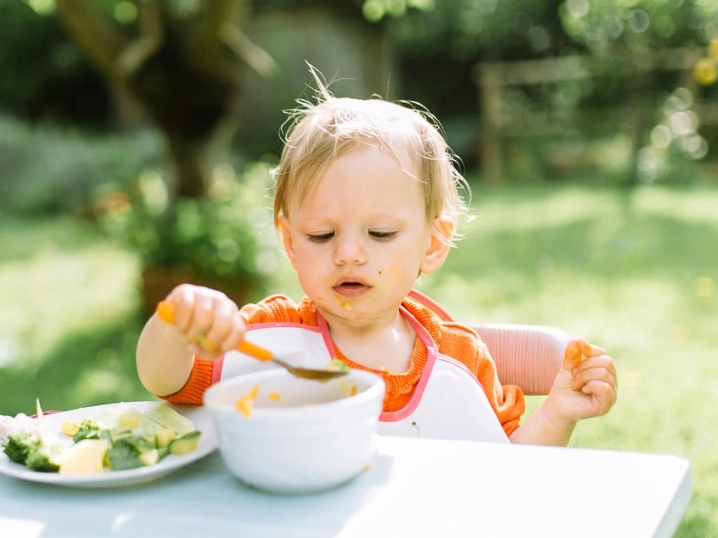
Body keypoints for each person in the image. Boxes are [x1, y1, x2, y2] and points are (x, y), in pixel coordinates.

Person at [136, 81, 617, 446]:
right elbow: (165, 379)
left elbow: (502, 471)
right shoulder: (267, 336)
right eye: (320, 234)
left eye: (380, 233)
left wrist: (557, 415)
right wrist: (176, 324)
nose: (348, 253)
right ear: (289, 241)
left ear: (433, 243)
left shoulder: (460, 362)